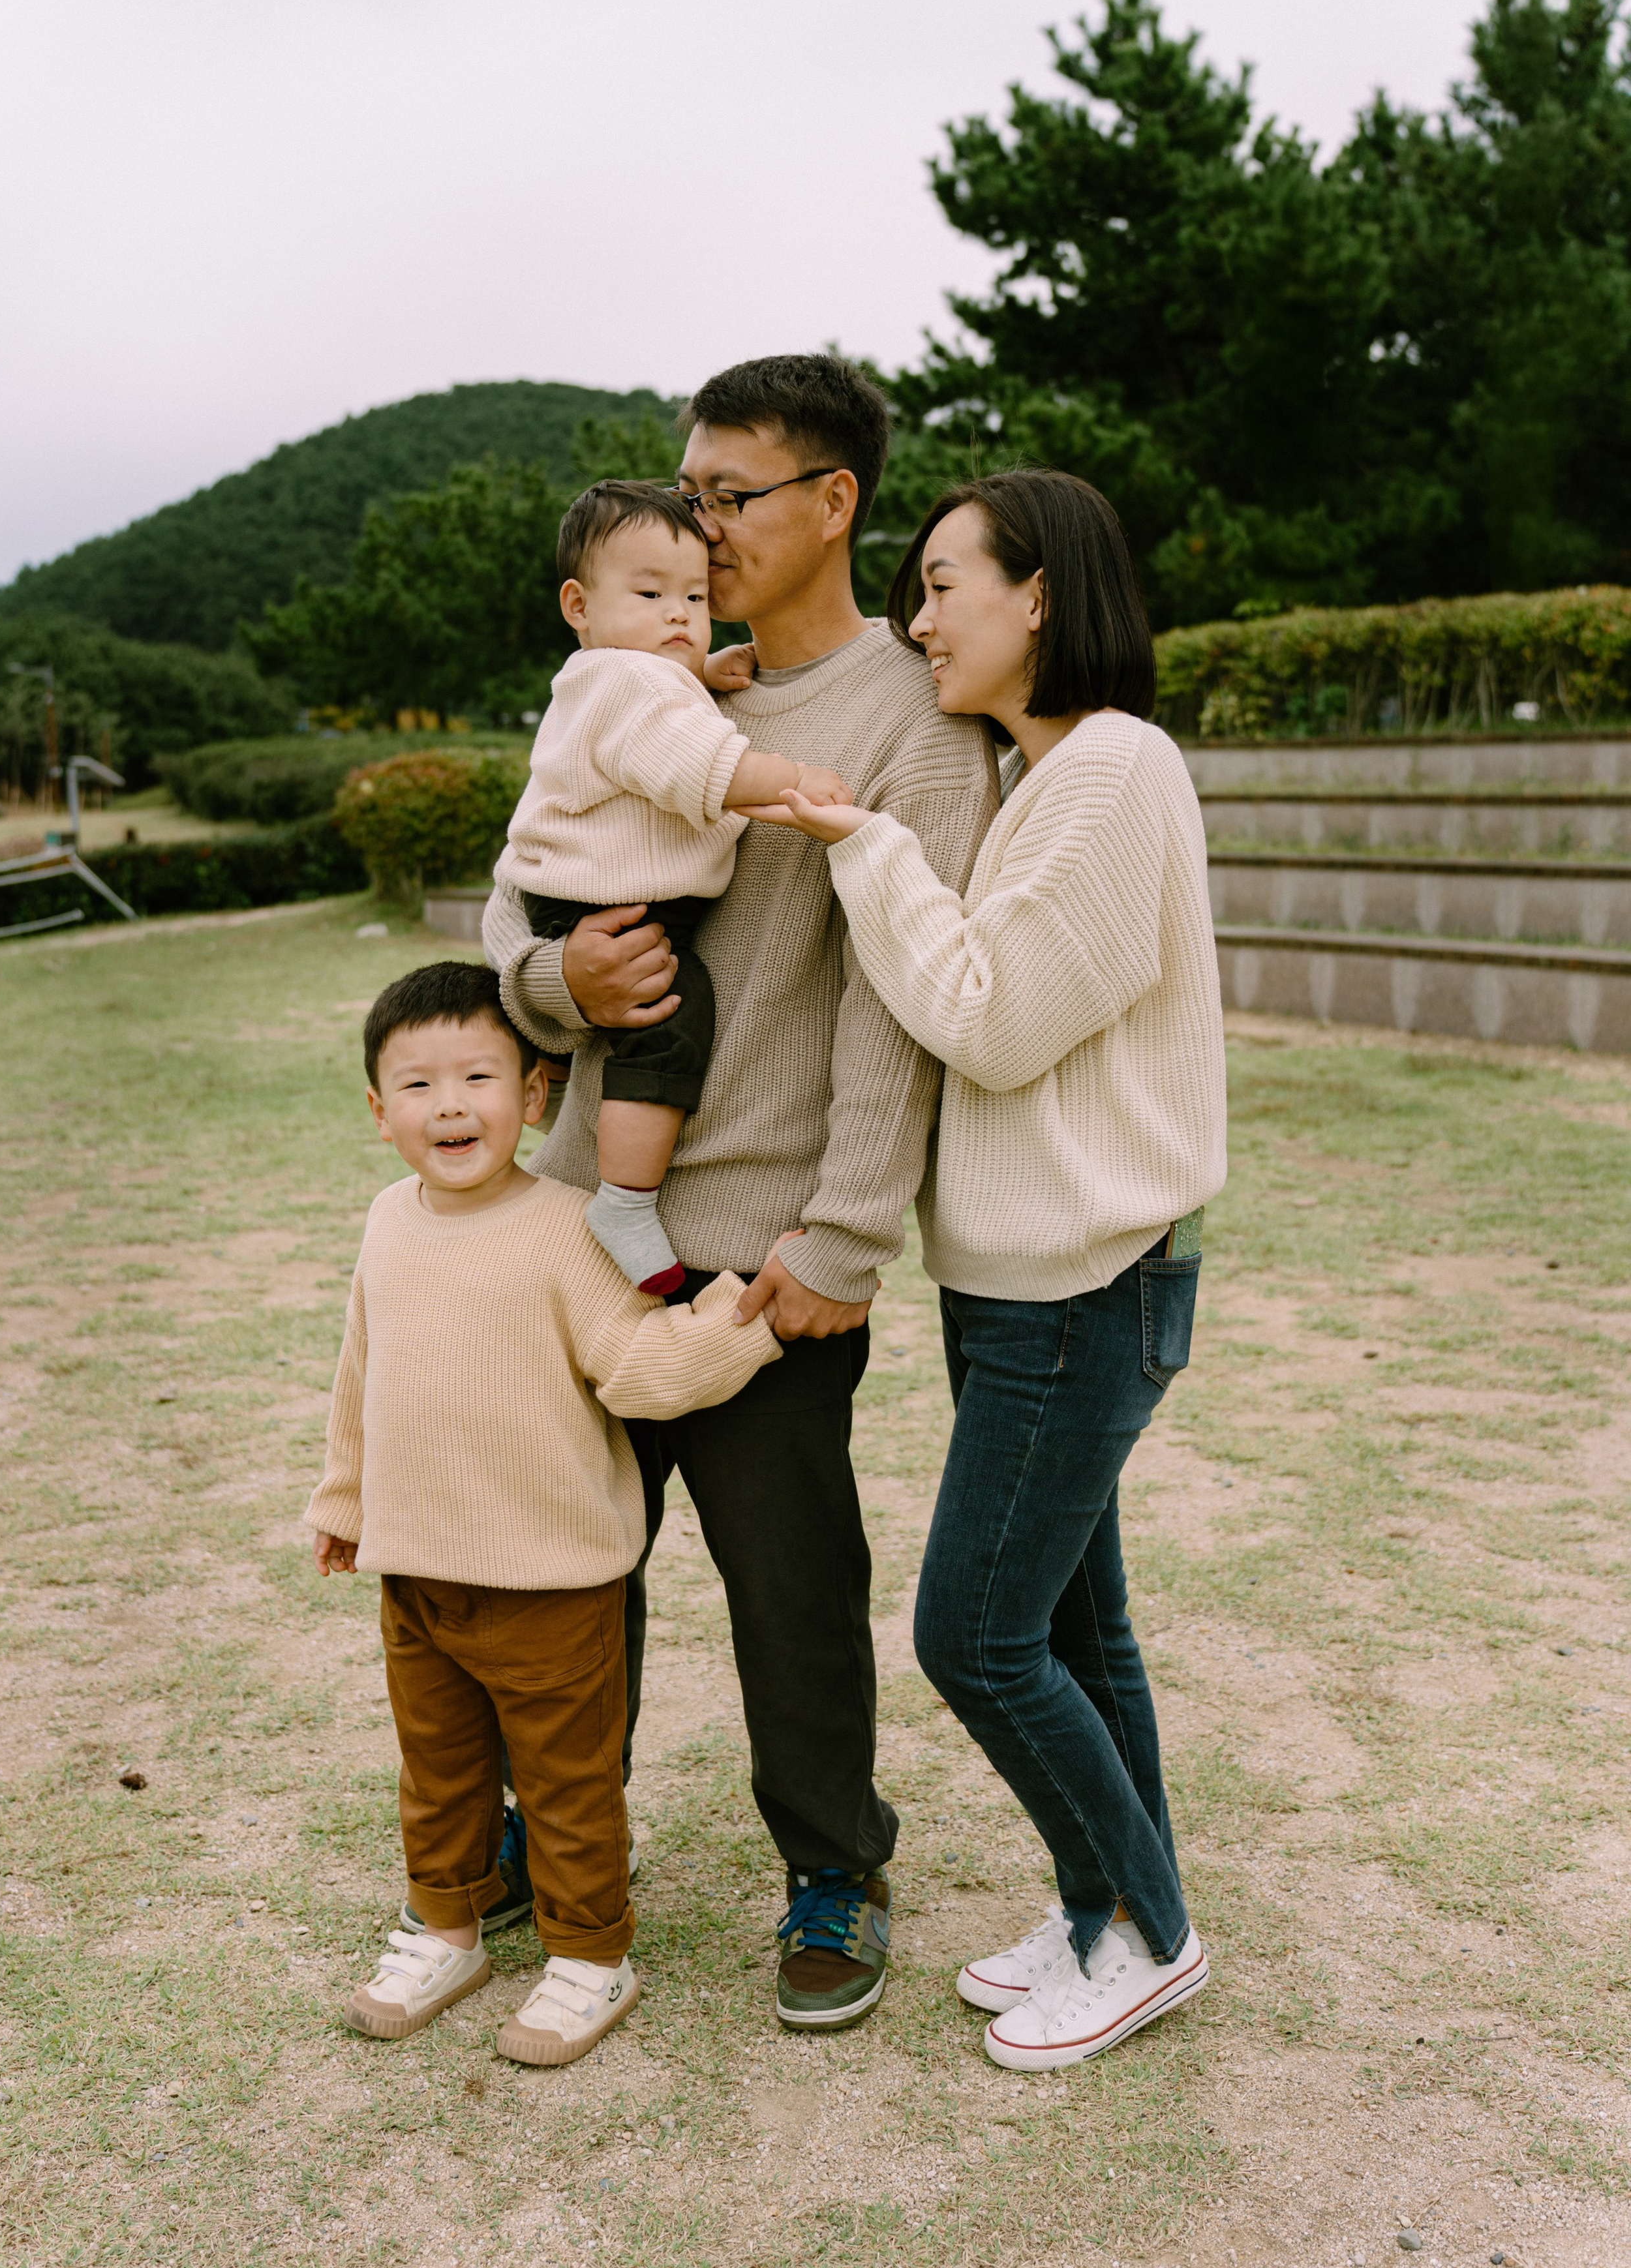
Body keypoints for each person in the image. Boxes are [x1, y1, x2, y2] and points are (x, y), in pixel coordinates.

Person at [485, 353, 998, 2031]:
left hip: (763, 1247)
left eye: (728, 494)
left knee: (788, 1580)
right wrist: (558, 981)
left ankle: (833, 1861)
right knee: (569, 1565)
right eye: (685, 491)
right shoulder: (632, 678)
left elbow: (893, 1010)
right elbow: (523, 898)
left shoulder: (906, 727)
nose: (693, 522)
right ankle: (558, 1844)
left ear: (832, 500)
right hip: (581, 1224)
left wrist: (840, 1237)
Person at [759, 469, 1227, 2070]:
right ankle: (1099, 1907)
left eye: (945, 581)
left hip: (1077, 1285)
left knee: (971, 1633)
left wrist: (861, 840)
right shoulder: (1050, 774)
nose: (916, 618)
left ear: (1041, 592)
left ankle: (1153, 1932)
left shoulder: (1107, 770)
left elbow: (994, 1014)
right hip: (1029, 1281)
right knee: (1077, 1633)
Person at [305, 960, 779, 2061]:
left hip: (555, 1579)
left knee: (566, 1785)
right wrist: (345, 1497)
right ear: (380, 1115)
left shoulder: (570, 1228)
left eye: (479, 1076)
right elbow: (361, 1372)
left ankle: (589, 1956)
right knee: (440, 1768)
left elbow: (639, 1370)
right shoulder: (387, 1223)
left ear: (536, 1094)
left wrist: (741, 1320)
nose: (451, 1105)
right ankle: (446, 1926)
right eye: (417, 1086)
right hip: (417, 1572)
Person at [506, 477, 853, 1296]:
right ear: (578, 604)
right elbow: (703, 765)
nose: (679, 616)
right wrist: (794, 777)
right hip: (614, 905)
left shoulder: (621, 678)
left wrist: (703, 673)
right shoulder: (632, 684)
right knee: (669, 1019)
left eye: (695, 597)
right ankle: (625, 1199)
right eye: (652, 593)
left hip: (583, 896)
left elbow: (664, 720)